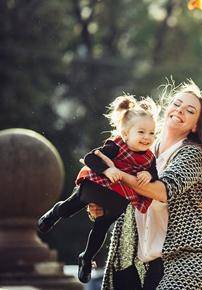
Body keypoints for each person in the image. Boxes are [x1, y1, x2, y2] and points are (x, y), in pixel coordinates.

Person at [88, 80, 202, 290]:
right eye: (177, 104)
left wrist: (119, 174)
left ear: (195, 126)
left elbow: (162, 191)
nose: (180, 111)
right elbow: (123, 198)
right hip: (140, 263)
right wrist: (101, 208)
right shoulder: (142, 150)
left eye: (189, 111)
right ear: (167, 109)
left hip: (184, 262)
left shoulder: (192, 153)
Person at [37, 95, 159, 283]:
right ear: (126, 134)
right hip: (97, 185)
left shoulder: (149, 158)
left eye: (152, 133)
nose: (147, 138)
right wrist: (108, 169)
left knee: (101, 227)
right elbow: (90, 159)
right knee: (71, 207)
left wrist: (148, 175)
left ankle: (86, 259)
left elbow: (155, 175)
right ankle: (54, 214)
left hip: (118, 197)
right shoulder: (116, 146)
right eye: (141, 132)